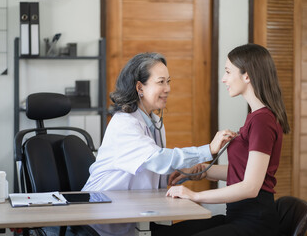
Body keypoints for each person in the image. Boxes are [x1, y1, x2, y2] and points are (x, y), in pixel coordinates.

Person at [81, 52, 236, 236]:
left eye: (168, 81)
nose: (168, 88)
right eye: (161, 82)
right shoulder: (124, 124)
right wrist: (208, 150)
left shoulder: (154, 122)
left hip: (133, 216)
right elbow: (157, 159)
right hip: (102, 222)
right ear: (140, 87)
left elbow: (155, 175)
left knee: (219, 222)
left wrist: (184, 173)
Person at [159, 43, 290, 236]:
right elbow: (244, 172)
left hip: (254, 224)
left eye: (228, 72)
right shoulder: (256, 117)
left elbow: (251, 186)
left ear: (247, 76)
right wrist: (202, 171)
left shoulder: (262, 120)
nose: (223, 79)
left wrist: (195, 195)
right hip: (239, 217)